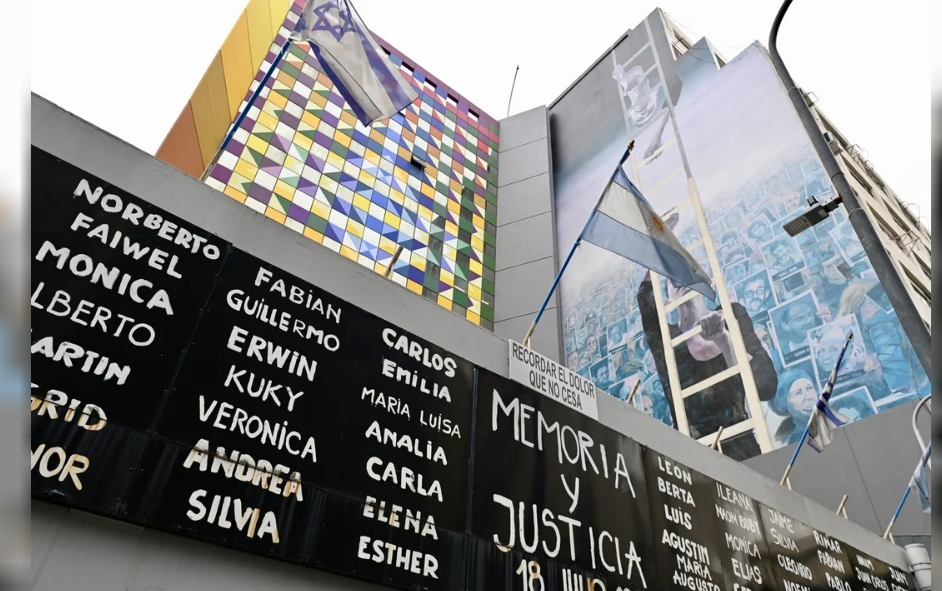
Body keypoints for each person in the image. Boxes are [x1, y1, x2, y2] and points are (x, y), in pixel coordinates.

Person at [638, 271, 778, 439]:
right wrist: (662, 259)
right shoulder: (667, 341)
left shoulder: (731, 315)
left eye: (687, 272)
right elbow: (646, 300)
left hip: (744, 444)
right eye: (673, 277)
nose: (682, 277)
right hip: (697, 449)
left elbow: (766, 387)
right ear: (668, 301)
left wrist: (725, 340)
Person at [769, 368, 818, 446]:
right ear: (784, 403)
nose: (808, 397)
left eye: (809, 388)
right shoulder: (796, 441)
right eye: (798, 393)